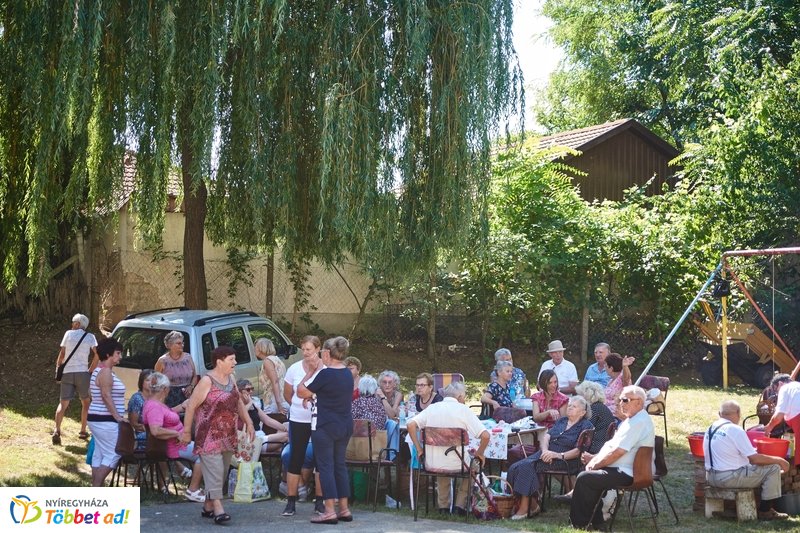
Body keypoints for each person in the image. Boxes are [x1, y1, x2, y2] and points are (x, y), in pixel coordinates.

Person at [180, 346, 254, 525]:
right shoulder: (206, 381)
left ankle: (208, 505)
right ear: (219, 361)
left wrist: (249, 422)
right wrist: (187, 431)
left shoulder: (231, 378)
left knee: (221, 470)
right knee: (215, 470)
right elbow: (190, 406)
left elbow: (237, 401)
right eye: (231, 359)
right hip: (208, 434)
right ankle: (219, 509)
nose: (235, 363)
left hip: (228, 433)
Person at [568, 385, 655, 530]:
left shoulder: (638, 422)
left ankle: (578, 524)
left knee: (585, 478)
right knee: (588, 476)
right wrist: (595, 459)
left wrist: (596, 464)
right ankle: (596, 521)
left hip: (629, 472)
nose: (621, 404)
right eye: (620, 400)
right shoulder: (631, 420)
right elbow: (613, 448)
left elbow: (618, 452)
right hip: (620, 468)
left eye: (625, 400)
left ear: (639, 402)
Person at [408, 382, 490, 515]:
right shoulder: (464, 410)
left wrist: (419, 449)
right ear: (459, 397)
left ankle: (443, 507)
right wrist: (480, 454)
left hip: (432, 463)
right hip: (458, 462)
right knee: (473, 466)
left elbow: (411, 425)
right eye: (464, 397)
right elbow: (485, 436)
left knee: (442, 463)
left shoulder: (432, 408)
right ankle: (459, 505)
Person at [507, 396, 594, 519]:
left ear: (583, 412)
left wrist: (557, 455)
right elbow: (546, 437)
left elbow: (578, 451)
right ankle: (533, 504)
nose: (569, 408)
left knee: (526, 467)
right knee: (515, 467)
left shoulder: (586, 426)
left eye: (574, 406)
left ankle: (524, 508)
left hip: (565, 460)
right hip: (546, 453)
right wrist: (545, 451)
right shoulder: (562, 421)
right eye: (569, 405)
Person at [297, 336, 354, 524]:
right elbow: (328, 394)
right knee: (340, 466)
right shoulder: (347, 373)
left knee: (326, 467)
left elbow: (301, 391)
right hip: (344, 425)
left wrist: (311, 371)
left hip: (325, 426)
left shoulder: (325, 374)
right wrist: (314, 395)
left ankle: (329, 510)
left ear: (328, 353)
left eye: (322, 353)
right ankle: (344, 509)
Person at [705, 400, 789, 520]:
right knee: (773, 468)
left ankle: (734, 509)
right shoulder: (734, 430)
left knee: (760, 467)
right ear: (738, 413)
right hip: (728, 478)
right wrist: (779, 460)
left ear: (720, 414)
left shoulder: (711, 428)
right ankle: (765, 511)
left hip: (711, 477)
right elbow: (754, 459)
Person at [143, 372, 205, 502]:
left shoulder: (156, 403)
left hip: (177, 443)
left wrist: (182, 405)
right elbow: (155, 430)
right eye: (169, 388)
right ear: (164, 389)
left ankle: (197, 487)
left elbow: (168, 414)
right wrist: (177, 433)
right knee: (204, 453)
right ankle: (193, 490)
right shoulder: (154, 406)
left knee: (205, 449)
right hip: (173, 446)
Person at [282, 335, 324, 517]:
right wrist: (299, 404)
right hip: (299, 418)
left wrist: (311, 398)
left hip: (320, 419)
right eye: (304, 349)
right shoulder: (293, 368)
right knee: (295, 458)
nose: (306, 353)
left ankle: (320, 501)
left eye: (309, 349)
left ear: (318, 349)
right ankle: (291, 501)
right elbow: (287, 394)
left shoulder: (326, 368)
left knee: (321, 460)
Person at [53, 313, 99, 445]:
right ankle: (83, 431)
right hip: (82, 373)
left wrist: (58, 372)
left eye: (73, 322)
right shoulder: (90, 337)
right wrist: (90, 370)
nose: (72, 324)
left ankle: (57, 430)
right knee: (85, 402)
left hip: (67, 372)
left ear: (78, 324)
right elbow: (98, 354)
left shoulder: (68, 334)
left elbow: (62, 354)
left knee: (63, 403)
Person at [86, 337, 125, 487]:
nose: (120, 356)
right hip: (105, 420)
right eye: (118, 353)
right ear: (108, 354)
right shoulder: (106, 372)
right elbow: (106, 395)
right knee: (114, 453)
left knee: (100, 454)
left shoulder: (99, 370)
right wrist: (117, 417)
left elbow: (92, 392)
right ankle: (96, 489)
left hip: (97, 418)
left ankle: (96, 489)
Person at [236, 379, 289, 453]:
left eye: (252, 389)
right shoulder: (237, 406)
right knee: (287, 436)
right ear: (240, 392)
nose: (251, 392)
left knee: (287, 426)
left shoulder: (253, 406)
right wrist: (250, 403)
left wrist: (285, 429)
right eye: (248, 390)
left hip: (262, 437)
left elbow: (268, 420)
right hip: (253, 441)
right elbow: (241, 413)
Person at [154, 331, 198, 408]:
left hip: (187, 396)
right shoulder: (162, 361)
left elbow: (195, 375)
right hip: (169, 398)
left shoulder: (188, 358)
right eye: (179, 343)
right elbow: (156, 380)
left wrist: (191, 386)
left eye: (182, 342)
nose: (182, 345)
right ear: (170, 345)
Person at [764, 373, 800, 464]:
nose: (777, 393)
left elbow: (778, 416)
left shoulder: (784, 388)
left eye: (776, 390)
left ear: (780, 383)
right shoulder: (797, 386)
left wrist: (768, 428)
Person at [575, 380, 615, 454]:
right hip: (601, 444)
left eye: (580, 395)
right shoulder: (600, 407)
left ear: (586, 396)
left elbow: (584, 428)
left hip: (595, 447)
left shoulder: (594, 409)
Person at [255, 338, 289, 416]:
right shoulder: (276, 359)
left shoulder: (267, 361)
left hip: (273, 400)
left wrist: (278, 403)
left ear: (261, 348)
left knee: (271, 425)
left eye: (256, 347)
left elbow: (275, 381)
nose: (254, 349)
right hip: (283, 397)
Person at [127, 369, 154, 450]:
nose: (151, 383)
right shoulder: (137, 398)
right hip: (142, 435)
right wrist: (153, 429)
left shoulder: (156, 397)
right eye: (147, 380)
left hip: (156, 432)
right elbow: (134, 424)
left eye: (153, 380)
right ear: (141, 382)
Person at [603, 353, 635, 418]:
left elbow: (627, 378)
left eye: (605, 365)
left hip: (616, 414)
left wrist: (625, 366)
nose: (604, 368)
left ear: (611, 368)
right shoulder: (610, 381)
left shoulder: (621, 378)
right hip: (605, 411)